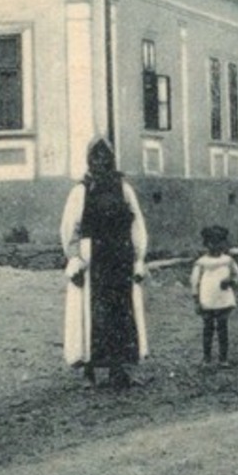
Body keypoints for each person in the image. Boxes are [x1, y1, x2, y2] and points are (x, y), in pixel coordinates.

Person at [60, 137, 149, 388]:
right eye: (95, 156)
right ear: (89, 160)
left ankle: (119, 370)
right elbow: (70, 229)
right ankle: (89, 372)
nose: (101, 161)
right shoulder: (81, 191)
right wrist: (74, 259)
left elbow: (137, 224)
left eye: (105, 156)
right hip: (93, 258)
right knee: (92, 313)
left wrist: (139, 259)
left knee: (121, 312)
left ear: (112, 159)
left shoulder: (123, 188)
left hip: (120, 256)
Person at [190, 225, 238, 366]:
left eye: (220, 242)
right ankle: (206, 358)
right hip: (207, 299)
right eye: (212, 242)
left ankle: (223, 359)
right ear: (206, 244)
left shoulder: (228, 260)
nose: (216, 246)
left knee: (222, 328)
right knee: (207, 328)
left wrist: (231, 281)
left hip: (223, 298)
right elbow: (194, 282)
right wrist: (196, 299)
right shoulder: (201, 262)